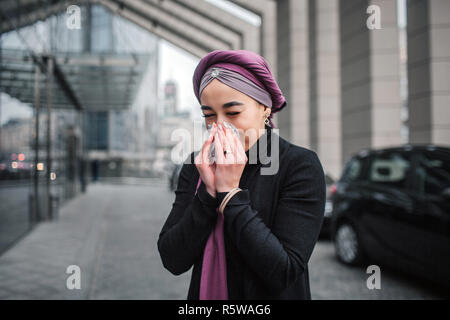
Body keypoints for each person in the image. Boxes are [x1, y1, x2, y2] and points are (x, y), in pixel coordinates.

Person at [158, 50, 326, 300]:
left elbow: (284, 271)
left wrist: (230, 195)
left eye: (233, 112)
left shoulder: (299, 165)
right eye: (209, 115)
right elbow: (172, 259)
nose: (220, 126)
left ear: (265, 108)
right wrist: (207, 194)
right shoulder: (197, 165)